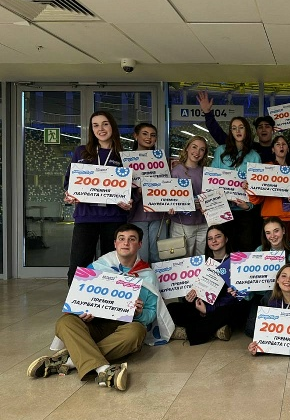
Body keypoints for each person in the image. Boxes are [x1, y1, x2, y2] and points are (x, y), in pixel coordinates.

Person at [27, 224, 170, 391]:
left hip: (122, 328)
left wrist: (139, 313)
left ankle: (72, 359)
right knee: (65, 322)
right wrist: (83, 312)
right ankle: (103, 369)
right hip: (93, 324)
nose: (126, 243)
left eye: (132, 239)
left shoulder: (148, 275)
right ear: (115, 243)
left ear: (140, 244)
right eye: (121, 239)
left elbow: (152, 313)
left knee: (137, 332)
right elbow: (78, 301)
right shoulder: (96, 268)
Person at [64, 111, 133, 286]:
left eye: (105, 124)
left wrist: (129, 201)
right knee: (79, 265)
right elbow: (69, 182)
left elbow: (132, 188)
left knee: (113, 267)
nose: (100, 129)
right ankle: (77, 302)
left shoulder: (123, 156)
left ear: (112, 127)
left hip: (114, 218)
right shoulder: (81, 152)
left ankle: (110, 302)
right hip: (86, 217)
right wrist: (69, 194)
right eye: (95, 125)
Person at [168, 224, 250, 344]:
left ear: (226, 239)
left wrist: (208, 309)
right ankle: (217, 331)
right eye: (210, 238)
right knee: (171, 308)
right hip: (201, 307)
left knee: (231, 310)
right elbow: (196, 289)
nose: (214, 241)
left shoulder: (236, 261)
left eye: (218, 237)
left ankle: (189, 332)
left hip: (223, 307)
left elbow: (234, 297)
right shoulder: (202, 262)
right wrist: (190, 297)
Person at [197, 91, 290, 165]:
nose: (263, 129)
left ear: (273, 130)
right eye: (260, 127)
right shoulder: (249, 148)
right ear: (256, 131)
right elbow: (220, 136)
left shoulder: (283, 149)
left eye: (267, 126)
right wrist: (207, 113)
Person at [244, 217, 290, 337]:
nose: (272, 236)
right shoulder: (259, 251)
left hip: (288, 296)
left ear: (283, 231)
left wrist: (288, 286)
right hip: (263, 297)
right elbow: (251, 279)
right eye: (268, 232)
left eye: (276, 231)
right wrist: (241, 290)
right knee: (251, 330)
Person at [211, 116, 262, 252]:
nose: (237, 131)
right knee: (225, 251)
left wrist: (249, 206)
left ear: (247, 130)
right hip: (223, 210)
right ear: (230, 132)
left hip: (245, 213)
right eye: (234, 128)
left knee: (246, 251)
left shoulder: (255, 156)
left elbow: (258, 188)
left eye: (241, 127)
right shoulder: (220, 151)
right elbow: (211, 180)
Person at [247, 135, 290, 245]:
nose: (281, 146)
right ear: (273, 149)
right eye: (278, 144)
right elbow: (256, 200)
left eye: (284, 144)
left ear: (288, 149)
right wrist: (250, 188)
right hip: (271, 220)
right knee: (272, 252)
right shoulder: (265, 169)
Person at [127, 122, 166, 263]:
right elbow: (121, 191)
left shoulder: (161, 161)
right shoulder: (126, 161)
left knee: (158, 257)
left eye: (153, 135)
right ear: (135, 136)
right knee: (140, 258)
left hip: (158, 214)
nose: (149, 137)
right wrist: (137, 192)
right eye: (145, 134)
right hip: (136, 215)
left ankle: (158, 279)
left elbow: (167, 186)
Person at [170, 135, 209, 256]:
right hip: (183, 224)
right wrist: (169, 208)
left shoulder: (206, 172)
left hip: (204, 223)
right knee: (183, 260)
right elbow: (169, 197)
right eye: (194, 147)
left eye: (202, 149)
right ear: (187, 148)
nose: (197, 152)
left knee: (201, 258)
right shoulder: (176, 171)